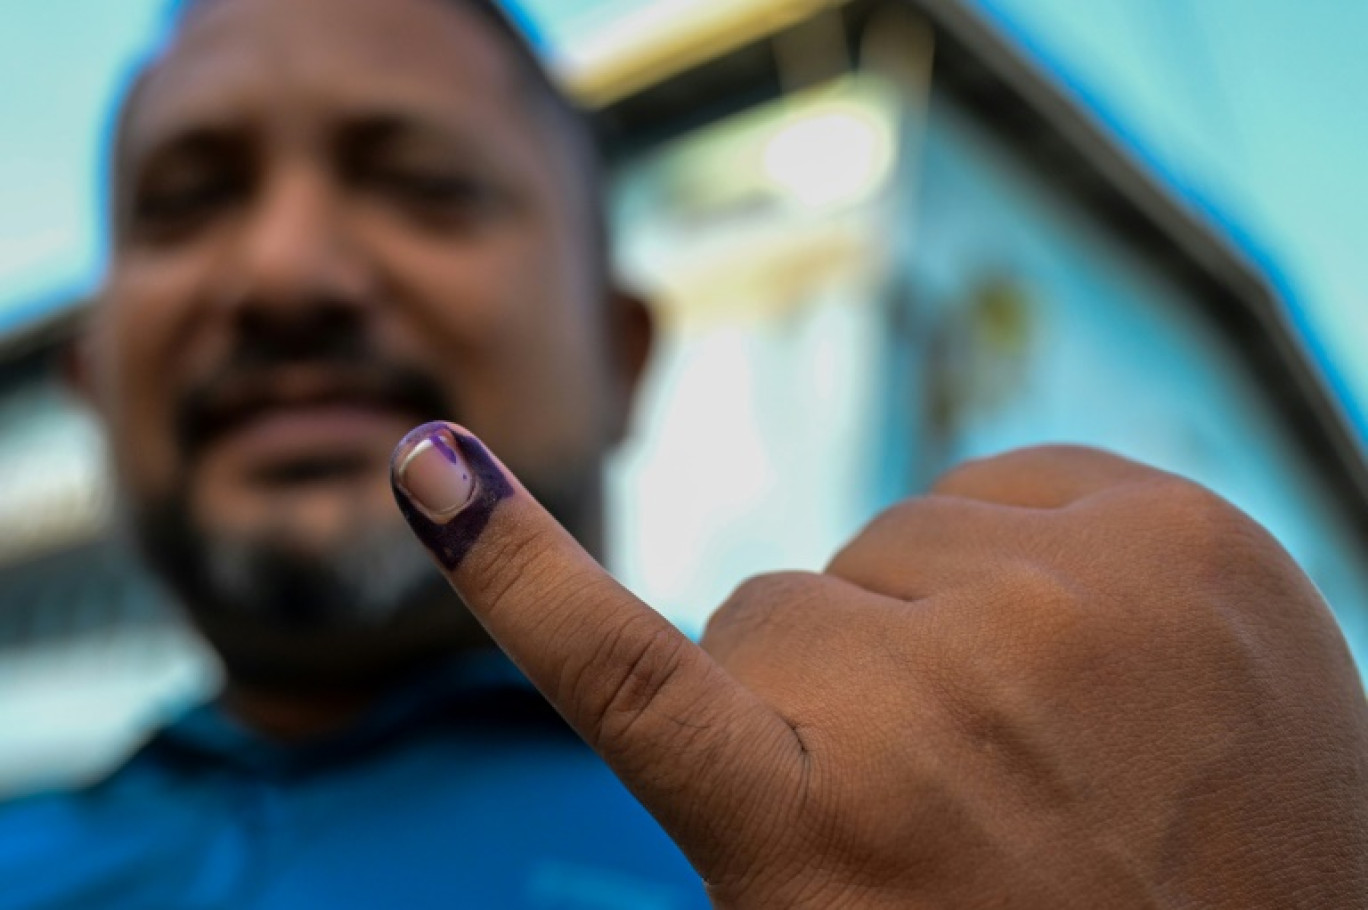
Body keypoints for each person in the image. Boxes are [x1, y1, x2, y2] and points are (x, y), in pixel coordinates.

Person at [2, 0, 1366, 906]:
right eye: (187, 202)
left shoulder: (898, 845)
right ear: (93, 378)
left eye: (423, 183)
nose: (288, 272)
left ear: (626, 352)